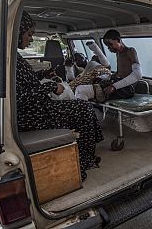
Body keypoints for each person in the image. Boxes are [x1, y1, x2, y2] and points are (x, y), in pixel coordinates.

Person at [16, 11, 103, 181]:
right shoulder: (9, 59)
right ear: (18, 32)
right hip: (32, 115)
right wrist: (51, 86)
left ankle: (88, 150)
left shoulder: (14, 57)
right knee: (83, 108)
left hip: (37, 108)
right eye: (29, 34)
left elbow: (26, 82)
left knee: (82, 106)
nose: (31, 39)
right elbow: (19, 98)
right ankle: (83, 160)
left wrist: (43, 74)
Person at [74, 30, 142, 102]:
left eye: (110, 44)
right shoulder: (118, 54)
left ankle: (85, 110)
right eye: (107, 46)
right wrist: (103, 78)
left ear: (118, 40)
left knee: (80, 90)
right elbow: (119, 73)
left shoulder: (130, 51)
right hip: (118, 85)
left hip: (126, 89)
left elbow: (138, 75)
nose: (109, 48)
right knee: (83, 88)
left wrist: (114, 86)